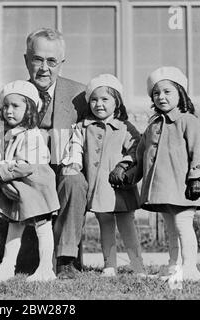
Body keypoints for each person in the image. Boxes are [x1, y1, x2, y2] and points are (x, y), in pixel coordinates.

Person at [0, 28, 89, 280]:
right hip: (19, 172)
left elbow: (89, 138)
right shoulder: (10, 95)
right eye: (37, 59)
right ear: (26, 60)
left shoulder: (79, 95)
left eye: (52, 61)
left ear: (62, 63)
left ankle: (65, 260)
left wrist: (75, 163)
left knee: (75, 181)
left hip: (60, 173)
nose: (44, 68)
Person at [61, 74, 145, 277]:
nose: (98, 104)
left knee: (127, 227)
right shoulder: (83, 127)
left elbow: (137, 149)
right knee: (105, 226)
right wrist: (73, 162)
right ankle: (109, 266)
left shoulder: (124, 127)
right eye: (94, 99)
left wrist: (123, 166)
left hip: (120, 188)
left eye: (105, 99)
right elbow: (75, 147)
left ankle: (138, 266)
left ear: (117, 102)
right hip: (98, 188)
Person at [131, 66, 200, 281]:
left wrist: (196, 178)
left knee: (183, 225)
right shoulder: (153, 126)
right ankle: (174, 265)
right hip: (161, 190)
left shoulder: (187, 121)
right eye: (156, 93)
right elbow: (140, 156)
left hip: (183, 187)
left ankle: (190, 268)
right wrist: (131, 175)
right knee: (170, 229)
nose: (161, 97)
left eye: (167, 92)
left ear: (180, 94)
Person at [0, 80, 59, 282]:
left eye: (16, 106)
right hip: (19, 185)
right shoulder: (8, 133)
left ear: (29, 109)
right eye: (6, 106)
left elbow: (25, 165)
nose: (9, 111)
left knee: (43, 227)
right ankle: (7, 266)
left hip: (36, 185)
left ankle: (46, 269)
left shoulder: (32, 135)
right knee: (15, 226)